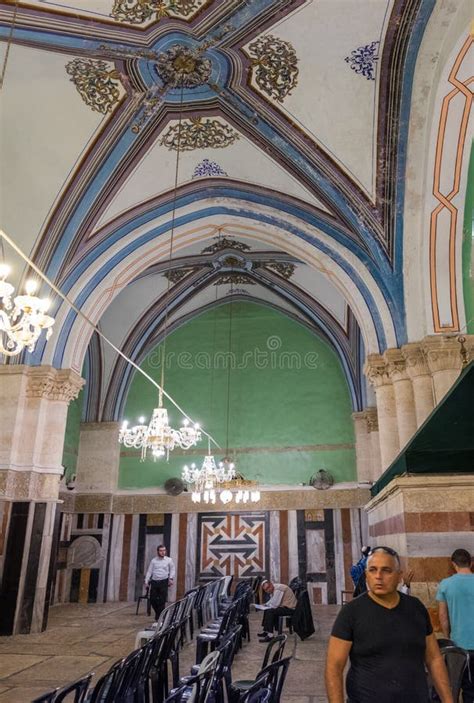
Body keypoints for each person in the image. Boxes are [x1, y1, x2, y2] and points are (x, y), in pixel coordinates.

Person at [325, 546, 453, 703]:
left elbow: (433, 658)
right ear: (366, 575)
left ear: (399, 576)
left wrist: (448, 700)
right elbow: (334, 668)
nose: (378, 576)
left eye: (386, 570)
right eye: (372, 570)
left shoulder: (416, 608)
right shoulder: (351, 613)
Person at [436, 548, 474, 703]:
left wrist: (447, 637)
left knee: (458, 685)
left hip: (459, 646)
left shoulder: (446, 584)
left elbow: (443, 616)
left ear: (453, 564)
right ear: (471, 563)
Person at [145, 544, 175, 623]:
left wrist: (171, 578)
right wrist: (146, 581)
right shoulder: (153, 561)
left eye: (164, 550)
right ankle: (159, 614)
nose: (163, 552)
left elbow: (172, 570)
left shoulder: (169, 560)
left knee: (162, 601)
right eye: (161, 551)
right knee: (152, 600)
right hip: (154, 582)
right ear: (158, 552)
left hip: (164, 581)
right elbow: (149, 571)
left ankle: (159, 618)